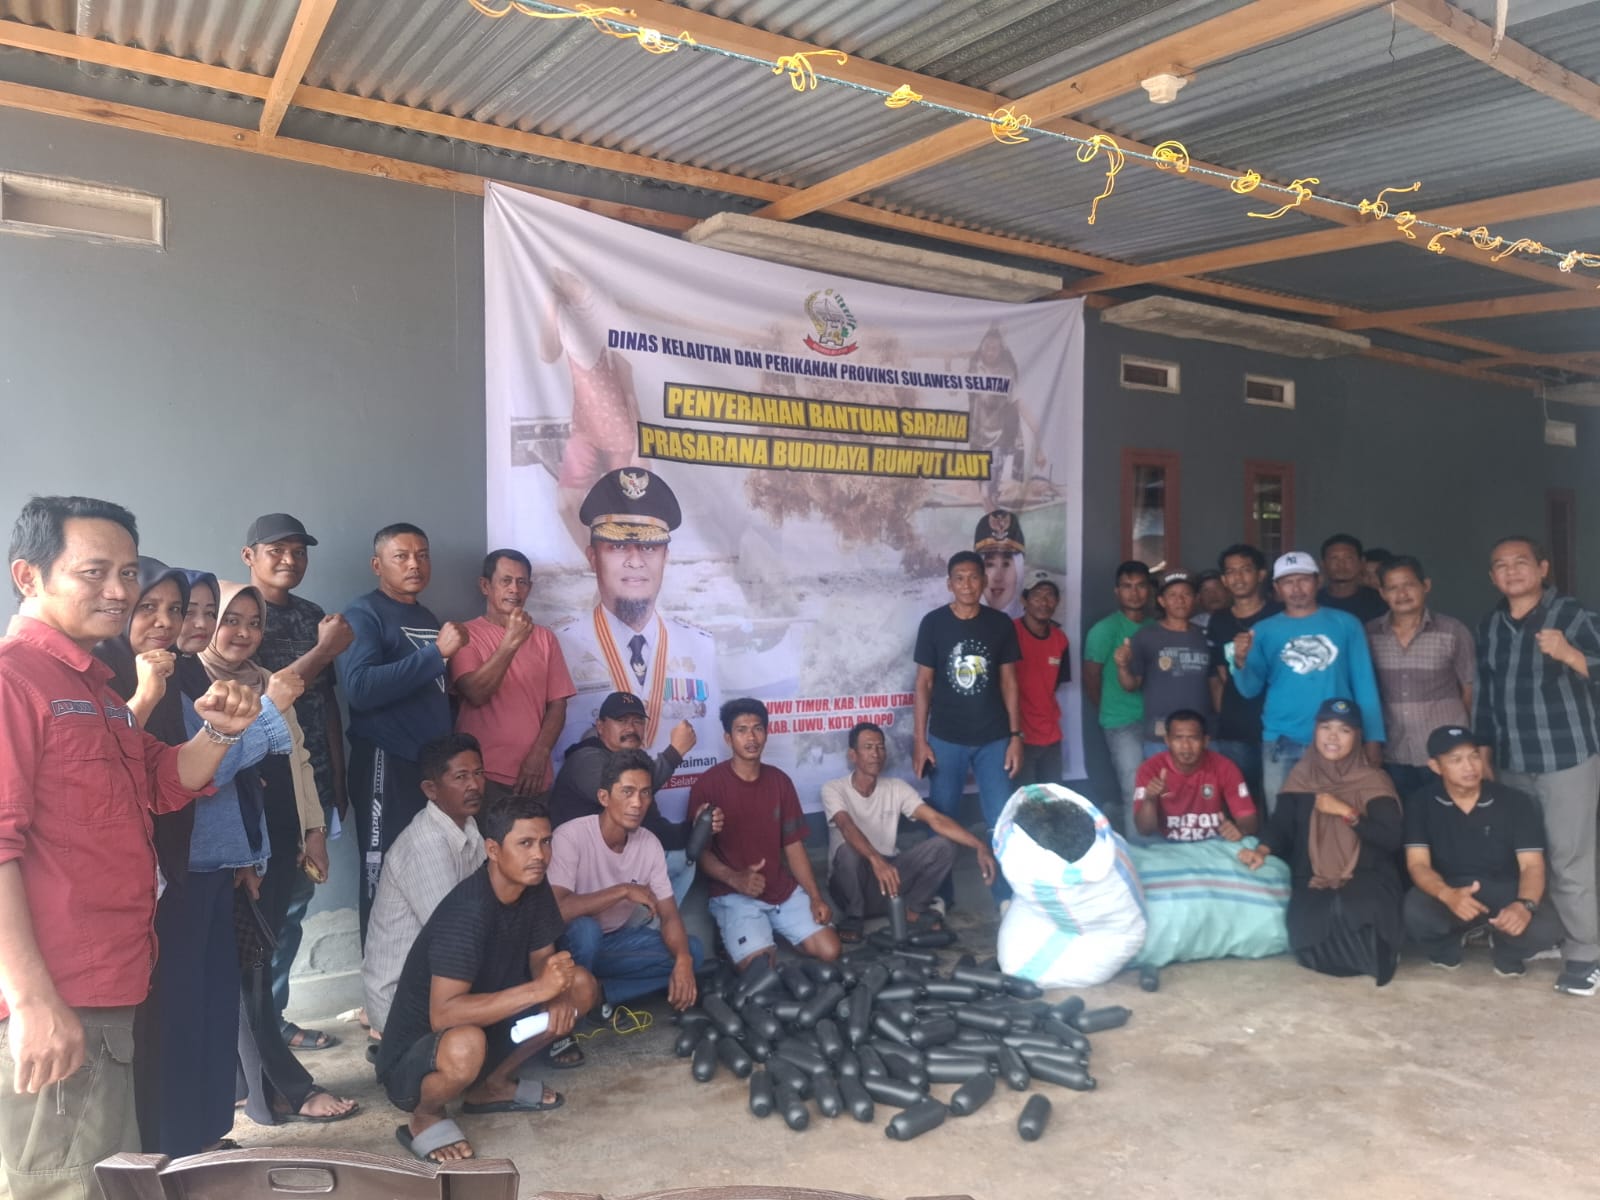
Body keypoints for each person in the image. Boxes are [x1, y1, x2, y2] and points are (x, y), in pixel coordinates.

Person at [0, 496, 260, 1200]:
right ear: (28, 576)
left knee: (107, 1174)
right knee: (67, 1183)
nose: (118, 591)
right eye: (93, 572)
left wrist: (219, 730)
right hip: (60, 996)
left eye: (125, 572)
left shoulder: (94, 686)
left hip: (112, 985)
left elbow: (162, 781)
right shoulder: (13, 682)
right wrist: (31, 1002)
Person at [200, 584, 357, 1133]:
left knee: (257, 965)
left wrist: (314, 829)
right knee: (246, 973)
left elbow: (300, 759)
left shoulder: (268, 680)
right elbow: (212, 775)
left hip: (279, 838)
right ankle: (281, 1088)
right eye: (230, 620)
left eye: (253, 622)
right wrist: (242, 852)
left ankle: (244, 1084)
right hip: (237, 849)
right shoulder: (196, 685)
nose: (243, 633)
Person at [376, 795, 598, 1164]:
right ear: (493, 850)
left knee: (581, 987)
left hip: (491, 1026)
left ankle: (492, 1084)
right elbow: (444, 1016)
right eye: (525, 843)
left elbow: (543, 958)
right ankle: (425, 1116)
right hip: (417, 1062)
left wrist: (557, 993)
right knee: (467, 1043)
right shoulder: (468, 912)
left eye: (545, 841)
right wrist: (539, 990)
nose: (540, 855)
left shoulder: (534, 886)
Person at [552, 468, 720, 830]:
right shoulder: (559, 645)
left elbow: (713, 750)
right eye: (616, 546)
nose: (635, 560)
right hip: (593, 836)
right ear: (592, 557)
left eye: (648, 546)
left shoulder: (702, 647)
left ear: (665, 557)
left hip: (671, 822)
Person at [241, 512, 352, 1050]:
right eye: (277, 550)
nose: (290, 559)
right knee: (257, 912)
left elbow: (325, 702)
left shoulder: (312, 615)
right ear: (250, 556)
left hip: (312, 781)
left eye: (299, 551)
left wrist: (339, 780)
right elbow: (272, 695)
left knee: (293, 906)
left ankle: (276, 1019)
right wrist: (326, 649)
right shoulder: (236, 615)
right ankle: (251, 1027)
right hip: (258, 784)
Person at [1473, 535, 1600, 996]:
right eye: (1501, 565)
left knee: (1569, 858)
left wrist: (1570, 654)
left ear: (1542, 568)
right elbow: (1485, 695)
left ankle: (1585, 955)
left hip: (1567, 758)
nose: (1511, 571)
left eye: (1521, 562)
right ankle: (1547, 937)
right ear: (1492, 577)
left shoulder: (1572, 615)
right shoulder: (1490, 625)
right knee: (1529, 855)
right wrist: (1484, 750)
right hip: (1512, 761)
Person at [340, 523, 467, 940]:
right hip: (385, 762)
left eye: (422, 555)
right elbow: (359, 689)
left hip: (425, 768)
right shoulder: (364, 613)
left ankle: (416, 975)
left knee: (424, 871)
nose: (415, 564)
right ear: (378, 565)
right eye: (402, 556)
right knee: (381, 871)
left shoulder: (425, 617)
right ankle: (379, 978)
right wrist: (437, 653)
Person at [1238, 699, 1403, 985]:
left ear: (1357, 737)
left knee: (1359, 907)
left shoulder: (1373, 781)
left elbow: (1391, 839)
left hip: (1368, 874)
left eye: (1344, 730)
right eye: (1326, 727)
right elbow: (1281, 826)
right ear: (1315, 731)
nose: (1333, 737)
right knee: (1311, 920)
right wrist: (1262, 850)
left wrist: (1347, 812)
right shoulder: (1301, 777)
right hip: (1313, 875)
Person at [548, 748, 704, 1012]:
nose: (637, 803)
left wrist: (683, 960)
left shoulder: (649, 843)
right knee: (586, 929)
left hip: (613, 944)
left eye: (645, 793)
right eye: (627, 792)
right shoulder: (570, 836)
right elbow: (557, 910)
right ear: (604, 797)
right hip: (569, 947)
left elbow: (669, 914)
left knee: (692, 951)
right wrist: (622, 891)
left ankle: (600, 994)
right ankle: (573, 998)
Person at [690, 699, 842, 969]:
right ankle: (741, 935)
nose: (751, 737)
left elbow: (794, 846)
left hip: (779, 889)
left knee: (830, 950)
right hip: (733, 893)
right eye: (742, 730)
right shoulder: (708, 785)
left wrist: (815, 897)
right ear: (728, 738)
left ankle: (773, 931)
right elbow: (699, 855)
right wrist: (735, 878)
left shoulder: (780, 781)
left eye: (757, 728)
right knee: (760, 969)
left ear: (766, 733)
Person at [1230, 551, 1386, 812]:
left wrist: (1373, 739)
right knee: (1283, 820)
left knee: (1335, 819)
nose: (1296, 589)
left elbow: (1364, 684)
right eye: (1288, 582)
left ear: (1318, 581)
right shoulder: (1263, 630)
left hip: (1338, 739)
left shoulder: (1346, 624)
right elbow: (1249, 689)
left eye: (1303, 580)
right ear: (1277, 588)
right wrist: (1240, 661)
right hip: (1282, 739)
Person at [1403, 726, 1561, 975]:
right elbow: (1417, 864)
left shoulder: (1514, 801)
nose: (1469, 767)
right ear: (1435, 766)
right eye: (1456, 760)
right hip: (1451, 890)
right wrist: (1448, 895)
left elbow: (1531, 865)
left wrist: (1523, 905)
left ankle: (1505, 948)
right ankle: (1449, 945)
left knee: (1548, 925)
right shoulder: (1421, 802)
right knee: (1416, 909)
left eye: (1474, 756)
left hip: (1504, 890)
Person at [821, 722, 996, 942]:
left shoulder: (896, 787)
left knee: (944, 845)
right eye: (868, 747)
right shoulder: (833, 788)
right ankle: (854, 917)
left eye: (880, 747)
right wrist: (876, 860)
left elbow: (936, 819)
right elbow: (846, 826)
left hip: (889, 881)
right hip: (851, 884)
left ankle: (913, 909)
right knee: (848, 852)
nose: (876, 754)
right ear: (852, 755)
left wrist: (979, 845)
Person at [912, 550, 1022, 898]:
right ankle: (939, 898)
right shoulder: (933, 623)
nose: (967, 585)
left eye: (974, 577)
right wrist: (920, 740)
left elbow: (1009, 682)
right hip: (946, 738)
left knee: (1001, 819)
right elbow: (923, 683)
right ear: (949, 584)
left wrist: (1015, 736)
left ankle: (1005, 897)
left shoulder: (1000, 624)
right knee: (941, 819)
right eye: (959, 578)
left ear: (984, 581)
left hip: (994, 738)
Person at [363, 734, 488, 1039]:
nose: (474, 785)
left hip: (442, 979)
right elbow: (450, 937)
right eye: (461, 777)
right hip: (402, 1001)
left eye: (478, 773)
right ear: (431, 789)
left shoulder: (468, 826)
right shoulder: (426, 843)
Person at [549, 691, 705, 903]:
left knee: (682, 858)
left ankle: (652, 919)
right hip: (581, 873)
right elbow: (620, 796)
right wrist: (674, 753)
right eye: (621, 721)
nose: (631, 728)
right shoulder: (585, 758)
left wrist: (695, 827)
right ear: (600, 726)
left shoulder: (632, 763)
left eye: (637, 721)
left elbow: (653, 826)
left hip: (616, 860)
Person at [449, 549, 575, 799]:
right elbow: (475, 693)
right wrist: (511, 641)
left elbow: (558, 704)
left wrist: (540, 754)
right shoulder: (465, 634)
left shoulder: (546, 638)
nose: (514, 590)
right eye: (505, 581)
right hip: (482, 775)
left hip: (534, 775)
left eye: (522, 582)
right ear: (485, 586)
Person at [1367, 555, 1475, 799]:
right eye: (1393, 588)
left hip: (1446, 752)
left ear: (1426, 585)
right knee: (1405, 816)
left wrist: (1470, 743)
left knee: (1449, 816)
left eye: (1409, 585)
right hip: (1394, 751)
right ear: (1382, 593)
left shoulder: (1453, 631)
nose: (1402, 594)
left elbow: (1470, 689)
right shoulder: (1369, 634)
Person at [1206, 544, 1280, 803]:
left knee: (1278, 800)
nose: (1238, 578)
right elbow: (1219, 675)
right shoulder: (1219, 620)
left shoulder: (1279, 615)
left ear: (1261, 574)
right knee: (1240, 801)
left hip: (1277, 725)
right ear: (1224, 580)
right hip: (1235, 727)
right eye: (1231, 572)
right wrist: (1223, 716)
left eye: (1245, 570)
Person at [1083, 560, 1153, 828]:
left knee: (1163, 789)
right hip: (1121, 722)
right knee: (1135, 789)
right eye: (1127, 586)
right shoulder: (1104, 630)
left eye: (1140, 586)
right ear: (1117, 592)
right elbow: (1091, 677)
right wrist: (1108, 709)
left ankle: (1163, 849)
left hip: (1158, 722)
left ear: (1149, 590)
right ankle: (1136, 849)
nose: (1134, 593)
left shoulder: (1156, 628)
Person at [1115, 570, 1213, 758]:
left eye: (1186, 594)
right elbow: (1130, 685)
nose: (1180, 600)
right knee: (1161, 779)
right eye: (1172, 595)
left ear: (1196, 599)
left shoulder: (1205, 636)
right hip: (1160, 736)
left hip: (1201, 735)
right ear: (1161, 601)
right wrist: (1122, 666)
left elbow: (1215, 684)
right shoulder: (1146, 636)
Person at [1132, 710, 1258, 843]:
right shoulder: (1150, 769)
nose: (1186, 746)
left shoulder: (1225, 767)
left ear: (1205, 741)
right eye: (1178, 738)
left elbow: (1249, 820)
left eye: (1193, 738)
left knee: (1251, 848)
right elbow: (1144, 830)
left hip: (1214, 844)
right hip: (1166, 846)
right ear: (1167, 740)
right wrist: (1149, 800)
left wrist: (1240, 829)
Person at [1013, 572, 1071, 786]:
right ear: (1024, 600)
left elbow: (1053, 686)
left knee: (1052, 797)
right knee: (1025, 800)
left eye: (1050, 596)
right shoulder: (1009, 633)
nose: (1044, 602)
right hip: (1018, 736)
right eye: (1037, 595)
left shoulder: (1060, 640)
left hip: (1050, 735)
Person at [1317, 534, 1386, 625]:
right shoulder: (1313, 601)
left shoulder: (1380, 601)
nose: (1341, 565)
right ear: (1323, 564)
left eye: (1348, 558)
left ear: (1362, 562)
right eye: (1334, 558)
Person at [975, 509, 1025, 617]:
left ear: (1019, 571)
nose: (997, 578)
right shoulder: (961, 621)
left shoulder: (1034, 624)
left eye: (1006, 564)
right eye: (989, 565)